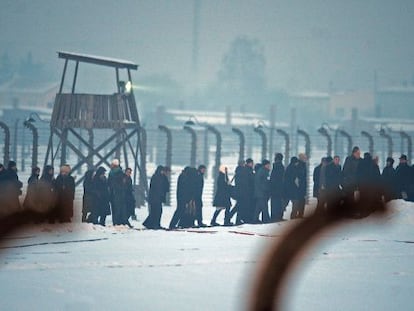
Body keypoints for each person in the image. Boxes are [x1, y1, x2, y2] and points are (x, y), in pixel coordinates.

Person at [108, 159, 130, 226]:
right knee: (118, 208)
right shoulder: (117, 173)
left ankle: (117, 222)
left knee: (116, 209)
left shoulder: (114, 173)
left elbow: (111, 183)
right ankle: (119, 222)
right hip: (117, 193)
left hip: (116, 193)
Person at [342, 146, 362, 211]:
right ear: (354, 153)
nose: (359, 155)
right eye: (358, 153)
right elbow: (346, 171)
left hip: (357, 183)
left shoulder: (361, 160)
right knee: (349, 198)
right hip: (349, 184)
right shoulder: (349, 160)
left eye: (359, 153)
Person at [253, 159, 271, 223]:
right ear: (265, 165)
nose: (269, 166)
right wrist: (266, 189)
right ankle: (267, 219)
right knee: (264, 206)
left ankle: (255, 219)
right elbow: (262, 182)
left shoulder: (262, 171)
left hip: (259, 192)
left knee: (258, 207)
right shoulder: (263, 171)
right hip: (262, 192)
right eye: (268, 164)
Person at [269, 153, 286, 222]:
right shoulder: (280, 166)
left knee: (274, 203)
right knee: (278, 203)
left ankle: (274, 216)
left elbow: (273, 178)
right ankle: (278, 216)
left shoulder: (276, 166)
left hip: (274, 189)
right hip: (279, 188)